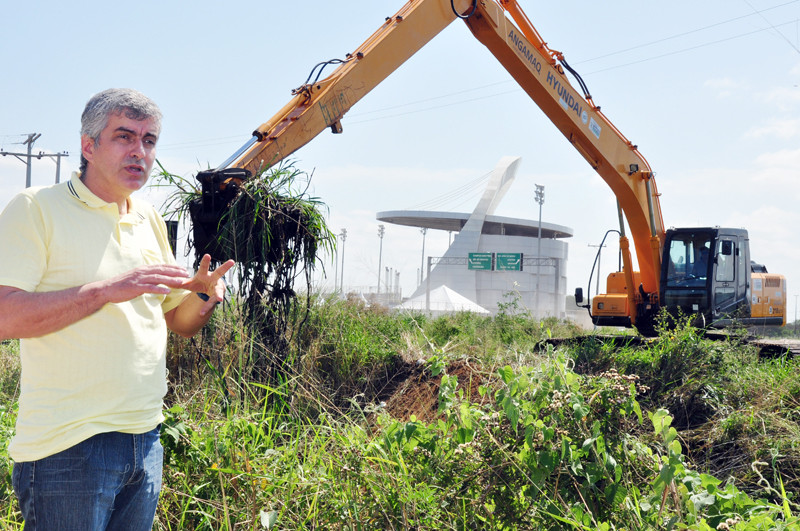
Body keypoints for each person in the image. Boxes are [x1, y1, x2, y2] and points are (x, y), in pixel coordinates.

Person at [0, 88, 234, 530]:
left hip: (144, 439)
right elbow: (5, 316)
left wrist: (202, 300)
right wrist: (104, 291)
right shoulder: (36, 209)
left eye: (149, 140)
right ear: (88, 146)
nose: (140, 151)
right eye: (125, 137)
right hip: (67, 446)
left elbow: (173, 322)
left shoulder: (146, 218)